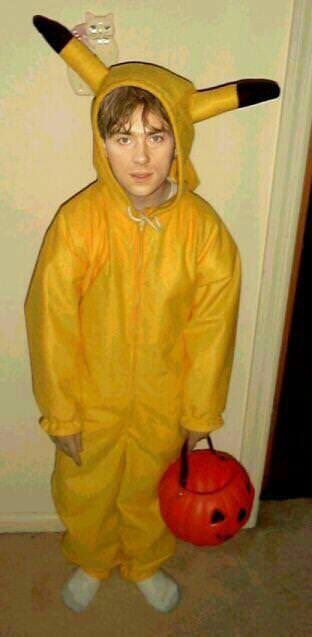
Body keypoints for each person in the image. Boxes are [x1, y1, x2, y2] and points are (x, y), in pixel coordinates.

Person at [24, 15, 279, 615]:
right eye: (123, 137)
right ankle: (90, 555)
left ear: (181, 140)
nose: (141, 156)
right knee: (84, 486)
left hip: (164, 396)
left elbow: (213, 325)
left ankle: (143, 561)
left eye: (157, 135)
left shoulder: (203, 231)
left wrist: (198, 410)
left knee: (149, 486)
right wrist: (61, 410)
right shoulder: (79, 223)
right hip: (90, 393)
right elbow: (51, 317)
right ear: (101, 141)